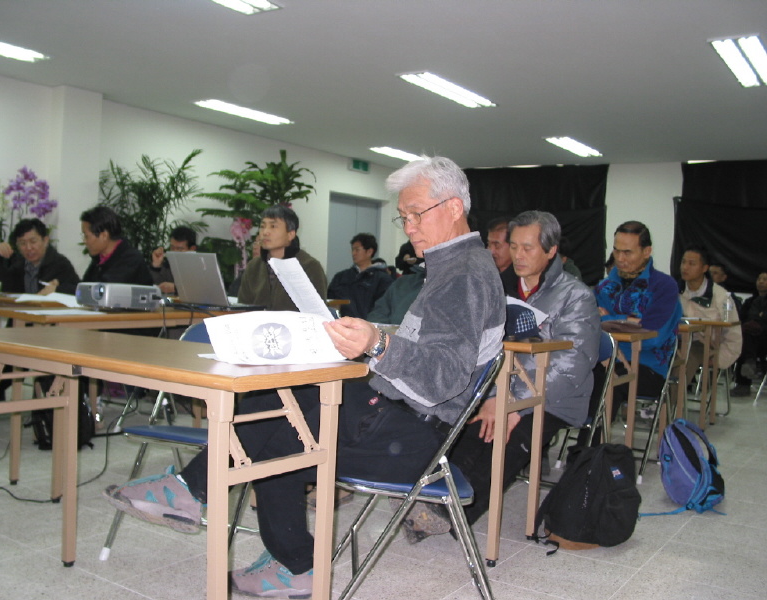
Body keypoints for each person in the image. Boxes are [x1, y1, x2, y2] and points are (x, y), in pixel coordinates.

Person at [103, 155, 505, 599]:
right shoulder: (455, 267)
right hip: (398, 419)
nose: (408, 228)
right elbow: (431, 350)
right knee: (278, 416)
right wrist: (369, 338)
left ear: (453, 207)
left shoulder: (465, 274)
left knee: (276, 418)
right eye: (403, 217)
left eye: (416, 214)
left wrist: (377, 344)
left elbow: (444, 376)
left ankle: (203, 499)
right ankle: (280, 554)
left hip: (411, 437)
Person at [450, 210, 600, 525]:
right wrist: (492, 396)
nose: (518, 255)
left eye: (527, 248)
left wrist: (516, 403)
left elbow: (571, 366)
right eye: (514, 246)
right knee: (465, 426)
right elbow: (481, 348)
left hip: (554, 397)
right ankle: (439, 499)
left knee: (506, 437)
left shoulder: (576, 296)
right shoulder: (499, 289)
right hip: (500, 388)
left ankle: (455, 516)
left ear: (551, 250)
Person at [594, 221, 682, 422]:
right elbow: (588, 325)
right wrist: (626, 321)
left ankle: (590, 441)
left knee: (606, 383)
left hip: (647, 368)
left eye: (628, 252)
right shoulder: (604, 287)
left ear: (646, 251)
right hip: (605, 360)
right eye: (616, 251)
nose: (620, 258)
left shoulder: (664, 287)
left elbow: (651, 338)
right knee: (566, 378)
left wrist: (607, 320)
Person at [237, 205, 327, 309]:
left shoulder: (309, 267)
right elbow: (243, 307)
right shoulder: (254, 266)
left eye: (273, 226)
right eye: (262, 226)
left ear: (290, 234)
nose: (265, 232)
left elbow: (317, 312)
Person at [677, 246, 742, 380]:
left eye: (692, 263)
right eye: (683, 262)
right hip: (674, 341)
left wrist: (719, 359)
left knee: (682, 364)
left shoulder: (721, 297)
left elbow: (733, 335)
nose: (685, 267)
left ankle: (672, 394)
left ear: (704, 268)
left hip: (702, 346)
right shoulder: (674, 290)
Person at [0, 218, 80, 295]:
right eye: (23, 243)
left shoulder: (60, 265)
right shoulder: (17, 263)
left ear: (45, 241)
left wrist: (57, 290)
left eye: (33, 241)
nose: (28, 248)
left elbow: (78, 291)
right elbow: (1, 287)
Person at [80, 206, 153, 285]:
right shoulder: (99, 259)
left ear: (104, 236)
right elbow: (84, 286)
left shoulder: (131, 259)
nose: (84, 241)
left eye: (86, 236)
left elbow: (105, 288)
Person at [327, 233, 393, 319]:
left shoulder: (382, 279)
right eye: (352, 249)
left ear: (369, 252)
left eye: (357, 250)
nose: (353, 253)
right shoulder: (340, 277)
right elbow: (329, 301)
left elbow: (383, 308)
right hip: (340, 323)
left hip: (367, 324)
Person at [732, 271, 767, 396]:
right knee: (744, 336)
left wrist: (757, 319)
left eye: (765, 279)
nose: (761, 281)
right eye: (759, 279)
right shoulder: (750, 301)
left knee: (748, 336)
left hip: (764, 339)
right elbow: (740, 319)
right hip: (749, 339)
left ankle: (743, 383)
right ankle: (749, 363)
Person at [149, 226, 197, 295]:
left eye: (180, 249)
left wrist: (176, 288)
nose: (174, 252)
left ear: (192, 249)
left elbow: (201, 290)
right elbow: (154, 287)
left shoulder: (200, 267)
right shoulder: (167, 264)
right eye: (172, 248)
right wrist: (156, 266)